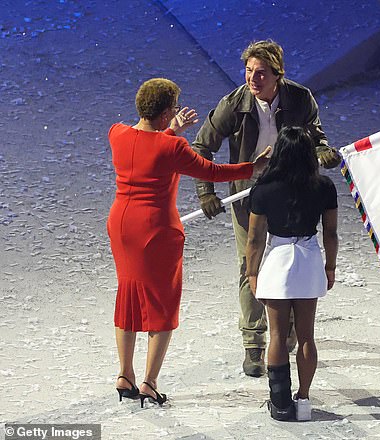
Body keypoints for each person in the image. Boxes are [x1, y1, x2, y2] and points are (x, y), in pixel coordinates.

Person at [107, 78, 269, 408]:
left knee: (128, 295)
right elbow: (212, 172)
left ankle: (125, 374)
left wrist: (170, 129)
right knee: (161, 305)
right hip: (156, 231)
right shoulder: (173, 148)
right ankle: (149, 383)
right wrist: (254, 166)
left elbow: (147, 149)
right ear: (167, 111)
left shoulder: (117, 134)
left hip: (121, 225)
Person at [191, 39, 341, 377]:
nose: (252, 79)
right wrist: (206, 191)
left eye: (260, 73)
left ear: (278, 75)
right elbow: (201, 146)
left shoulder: (300, 99)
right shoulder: (234, 104)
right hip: (249, 196)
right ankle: (254, 342)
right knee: (251, 262)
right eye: (248, 71)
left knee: (293, 259)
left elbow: (316, 139)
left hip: (292, 192)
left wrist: (323, 153)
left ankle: (288, 329)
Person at [246, 126, 339, 421]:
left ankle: (280, 402)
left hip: (278, 258)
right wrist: (330, 266)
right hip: (309, 258)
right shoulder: (323, 187)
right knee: (307, 336)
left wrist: (251, 272)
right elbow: (332, 233)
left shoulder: (263, 188)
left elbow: (254, 238)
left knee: (276, 335)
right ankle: (303, 399)